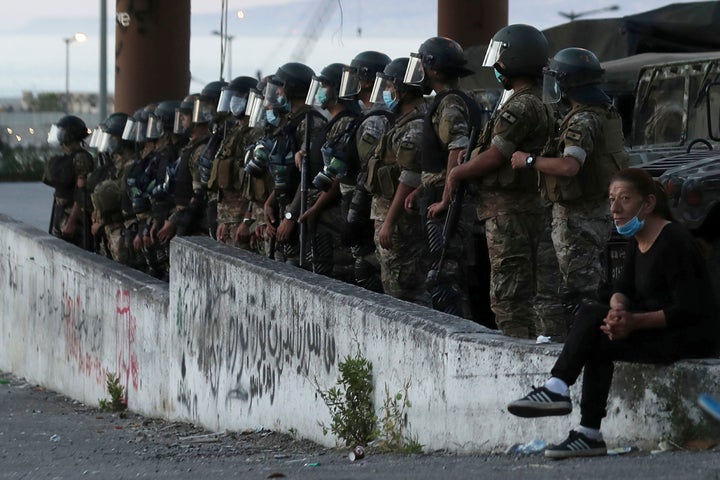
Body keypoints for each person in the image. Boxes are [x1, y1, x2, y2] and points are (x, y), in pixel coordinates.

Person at [507, 168, 720, 459]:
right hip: (654, 330)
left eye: (625, 199)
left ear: (647, 204)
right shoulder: (638, 239)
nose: (615, 209)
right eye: (611, 200)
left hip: (688, 336)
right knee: (598, 330)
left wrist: (633, 322)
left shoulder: (674, 240)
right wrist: (618, 312)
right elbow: (621, 288)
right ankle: (588, 434)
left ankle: (557, 387)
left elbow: (689, 310)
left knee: (593, 317)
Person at [439, 24, 554, 338]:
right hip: (518, 209)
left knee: (509, 299)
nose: (496, 68)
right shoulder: (536, 101)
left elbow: (495, 156)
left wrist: (457, 172)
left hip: (509, 213)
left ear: (514, 61)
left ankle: (520, 356)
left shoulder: (521, 106)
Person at [510, 47, 629, 340]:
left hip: (578, 218)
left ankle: (585, 346)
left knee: (579, 292)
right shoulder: (603, 112)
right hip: (591, 213)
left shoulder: (582, 121)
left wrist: (528, 160)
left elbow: (570, 165)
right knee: (583, 286)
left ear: (566, 83)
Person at [406, 35, 479, 320]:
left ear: (433, 69)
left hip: (448, 202)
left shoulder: (449, 104)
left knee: (445, 278)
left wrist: (446, 199)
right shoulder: (447, 101)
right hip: (437, 194)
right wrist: (421, 190)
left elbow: (457, 152)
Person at [366, 57, 430, 306]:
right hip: (390, 219)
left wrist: (389, 223)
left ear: (402, 90)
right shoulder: (402, 124)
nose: (387, 92)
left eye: (391, 87)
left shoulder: (414, 127)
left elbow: (409, 178)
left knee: (404, 293)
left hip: (401, 225)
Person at [338, 50, 393, 293]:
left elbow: (365, 174)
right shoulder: (369, 116)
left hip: (370, 209)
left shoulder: (375, 120)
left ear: (368, 79)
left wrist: (353, 216)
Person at [209, 76, 263, 249]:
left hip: (242, 218)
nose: (233, 102)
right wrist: (224, 220)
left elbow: (254, 182)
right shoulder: (232, 132)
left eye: (238, 96)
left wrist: (248, 220)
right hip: (228, 218)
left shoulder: (255, 133)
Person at [43, 115, 94, 250]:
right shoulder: (67, 158)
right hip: (61, 212)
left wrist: (71, 221)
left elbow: (82, 193)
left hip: (73, 216)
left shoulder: (81, 158)